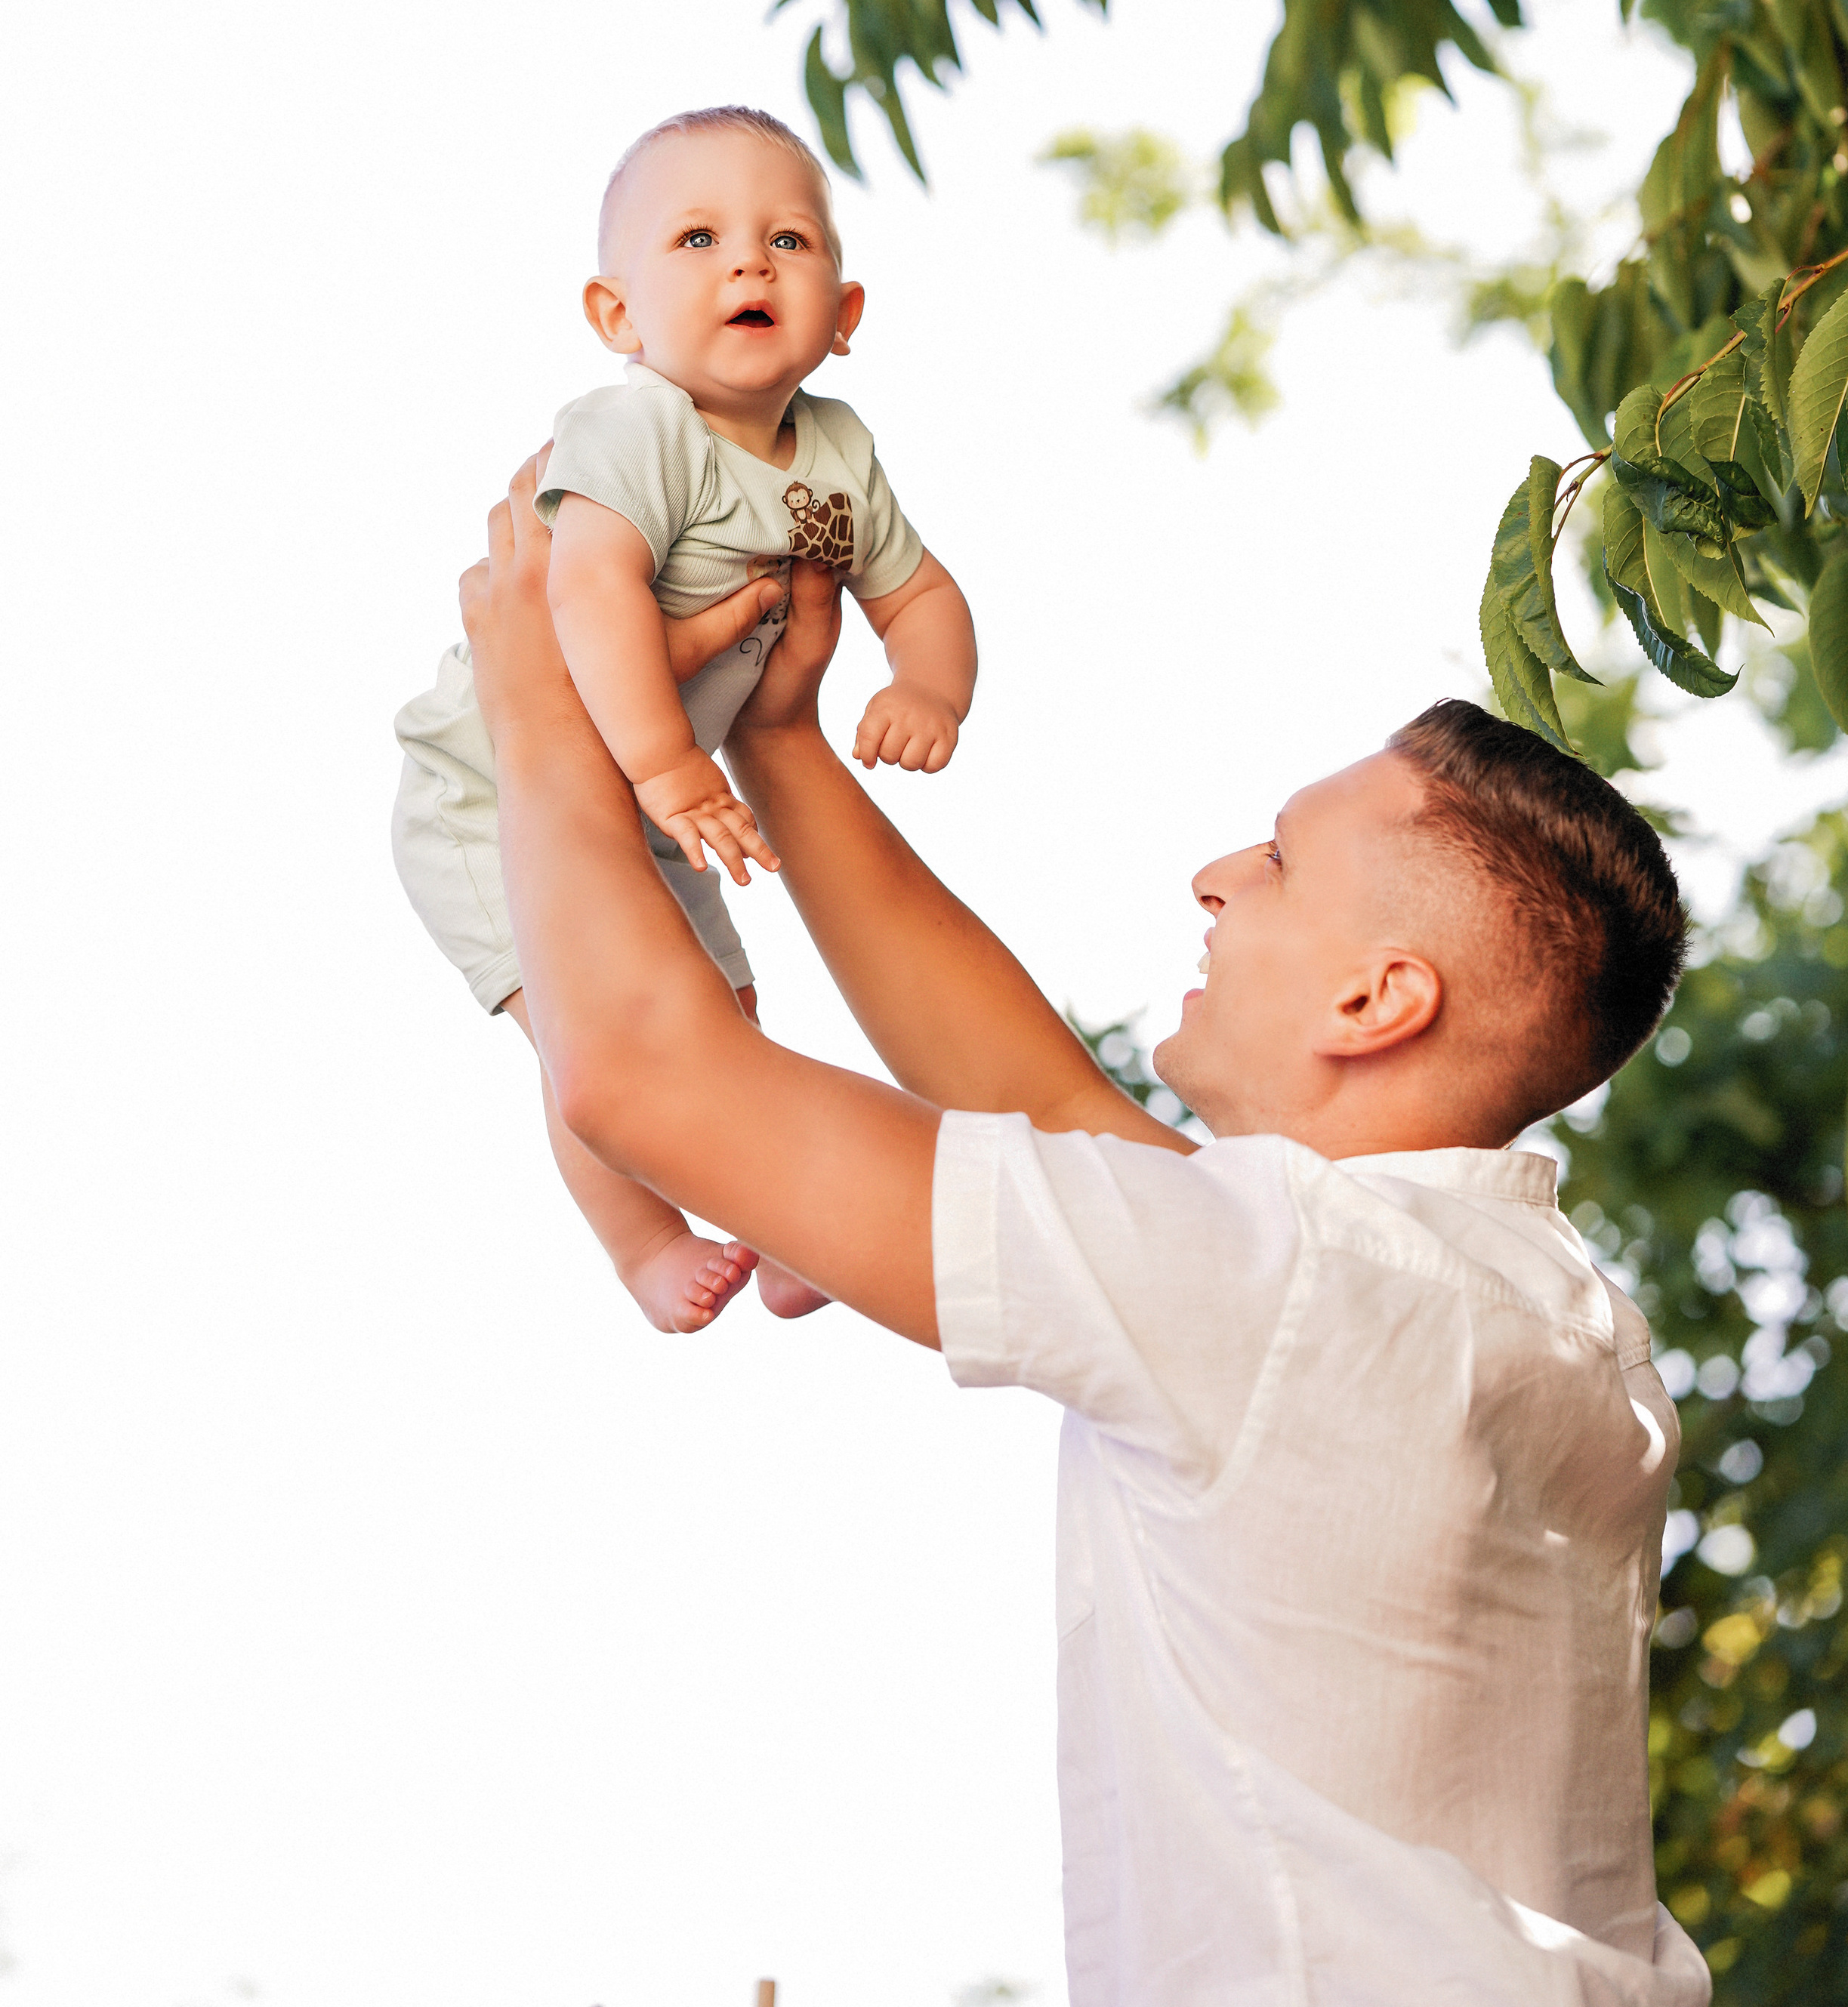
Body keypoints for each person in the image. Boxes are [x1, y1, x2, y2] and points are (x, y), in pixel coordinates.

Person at [461, 457, 1711, 2007]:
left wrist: (535, 701)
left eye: (1276, 859)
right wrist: (777, 739)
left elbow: (644, 1075)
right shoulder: (1521, 1319)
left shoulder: (1283, 1287)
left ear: (1376, 1000)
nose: (1215, 877)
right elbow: (1041, 1098)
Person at [390, 105, 975, 1330]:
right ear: (620, 317)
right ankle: (645, 1242)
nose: (749, 263)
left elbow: (920, 592)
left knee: (724, 1024)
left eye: (787, 241)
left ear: (844, 314)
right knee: (591, 1022)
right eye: (698, 239)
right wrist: (665, 765)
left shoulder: (836, 453)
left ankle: (785, 1222)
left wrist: (927, 685)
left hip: (658, 795)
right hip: (491, 789)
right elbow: (588, 591)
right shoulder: (638, 426)